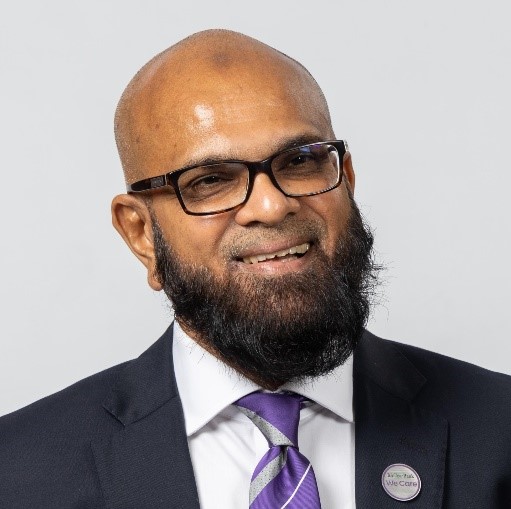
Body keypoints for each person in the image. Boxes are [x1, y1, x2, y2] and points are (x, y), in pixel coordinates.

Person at [0, 29, 510, 509]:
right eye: (209, 180)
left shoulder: (498, 431)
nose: (270, 205)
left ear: (346, 179)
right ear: (140, 233)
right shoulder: (19, 472)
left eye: (301, 161)